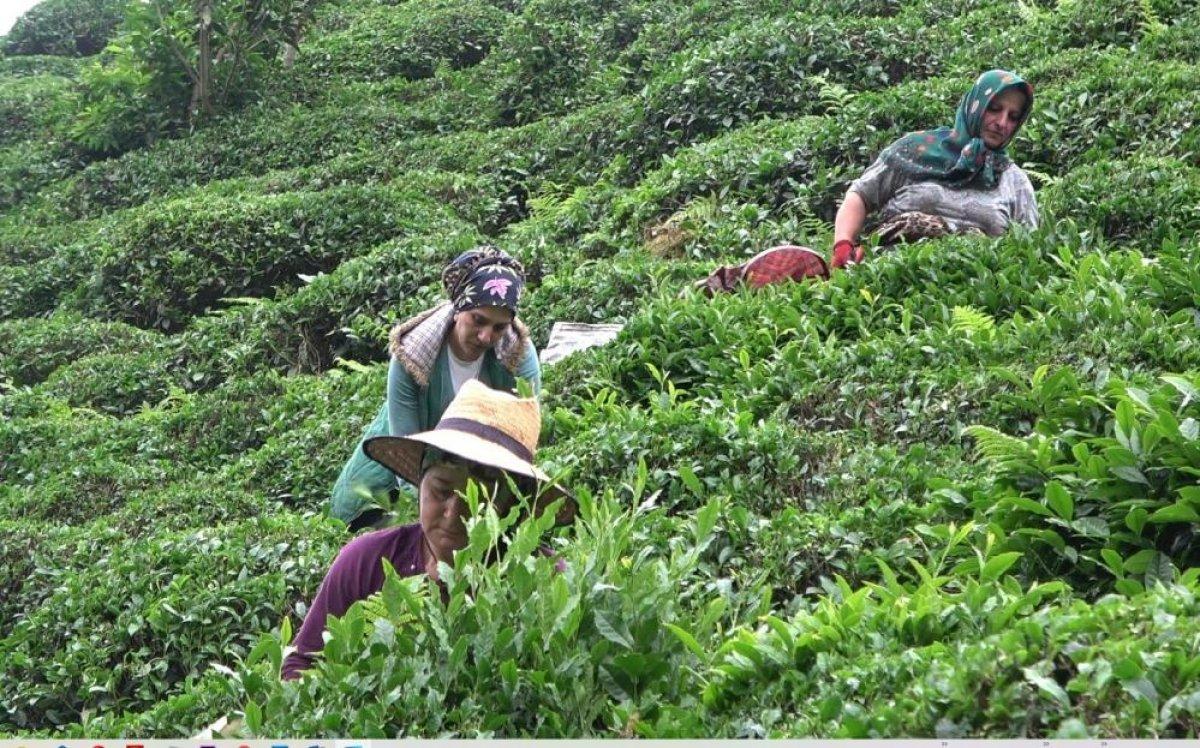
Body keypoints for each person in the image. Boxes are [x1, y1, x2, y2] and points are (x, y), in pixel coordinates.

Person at [284, 379, 574, 680]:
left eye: (477, 500)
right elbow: (302, 664)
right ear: (421, 483)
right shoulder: (366, 561)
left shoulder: (545, 579)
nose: (453, 513)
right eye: (441, 491)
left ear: (511, 506)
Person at [330, 246, 541, 529]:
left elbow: (521, 441)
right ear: (458, 309)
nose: (486, 336)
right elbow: (406, 445)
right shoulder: (411, 354)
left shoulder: (518, 357)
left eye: (499, 327)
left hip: (475, 472)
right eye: (478, 320)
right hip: (398, 469)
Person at [830, 69, 1040, 269]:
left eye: (1013, 117)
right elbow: (860, 195)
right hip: (887, 275)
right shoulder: (915, 150)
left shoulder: (1015, 182)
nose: (1002, 123)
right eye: (994, 109)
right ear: (975, 106)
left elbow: (1027, 253)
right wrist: (843, 244)